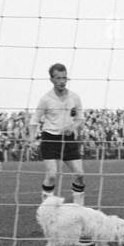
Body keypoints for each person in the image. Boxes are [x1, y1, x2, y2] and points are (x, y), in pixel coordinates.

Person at [34, 64, 86, 204]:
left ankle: (78, 207)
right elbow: (34, 120)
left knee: (79, 174)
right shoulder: (46, 99)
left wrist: (73, 126)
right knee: (51, 175)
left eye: (64, 78)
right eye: (58, 78)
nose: (62, 81)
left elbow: (80, 118)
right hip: (50, 139)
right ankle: (47, 206)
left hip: (68, 139)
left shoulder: (74, 97)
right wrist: (31, 138)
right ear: (51, 79)